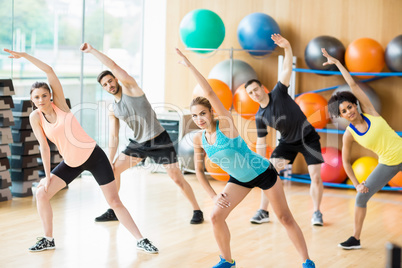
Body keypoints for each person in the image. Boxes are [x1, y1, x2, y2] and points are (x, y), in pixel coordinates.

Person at [3, 48, 158, 253]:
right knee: (41, 193)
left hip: (94, 156)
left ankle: (141, 239)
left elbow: (49, 70)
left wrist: (25, 56)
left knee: (114, 201)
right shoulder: (35, 117)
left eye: (44, 95)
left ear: (51, 96)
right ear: (33, 100)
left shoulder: (60, 105)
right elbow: (43, 146)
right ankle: (48, 239)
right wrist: (48, 176)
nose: (41, 100)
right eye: (36, 97)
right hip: (71, 163)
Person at [176, 46, 315, 268]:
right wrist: (213, 196)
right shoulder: (199, 139)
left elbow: (210, 93)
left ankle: (307, 261)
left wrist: (190, 66)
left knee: (285, 218)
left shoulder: (227, 125)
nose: (199, 118)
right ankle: (227, 261)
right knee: (215, 216)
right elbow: (199, 173)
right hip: (239, 180)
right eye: (195, 116)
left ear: (211, 112)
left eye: (203, 113)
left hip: (263, 172)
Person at [80, 43, 204, 224]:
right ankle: (114, 209)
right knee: (114, 170)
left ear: (116, 79)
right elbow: (114, 137)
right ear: (103, 88)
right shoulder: (113, 108)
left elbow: (114, 65)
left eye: (110, 81)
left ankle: (197, 209)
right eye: (105, 84)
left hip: (159, 140)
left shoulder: (131, 89)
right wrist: (110, 159)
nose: (109, 85)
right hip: (138, 143)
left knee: (177, 178)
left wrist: (92, 51)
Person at [322, 48, 402, 250]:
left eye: (349, 107)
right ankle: (355, 238)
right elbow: (346, 161)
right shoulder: (349, 134)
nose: (348, 112)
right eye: (343, 111)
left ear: (355, 105)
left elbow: (352, 85)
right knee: (361, 197)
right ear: (340, 116)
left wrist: (338, 63)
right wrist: (357, 184)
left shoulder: (371, 111)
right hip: (388, 163)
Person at [245, 34, 325, 226]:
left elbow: (287, 68)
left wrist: (287, 47)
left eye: (256, 89)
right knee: (269, 173)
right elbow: (262, 142)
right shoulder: (259, 116)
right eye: (250, 93)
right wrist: (260, 161)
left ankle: (317, 213)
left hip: (308, 138)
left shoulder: (279, 92)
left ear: (262, 88)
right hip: (287, 142)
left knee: (315, 175)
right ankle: (263, 212)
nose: (254, 94)